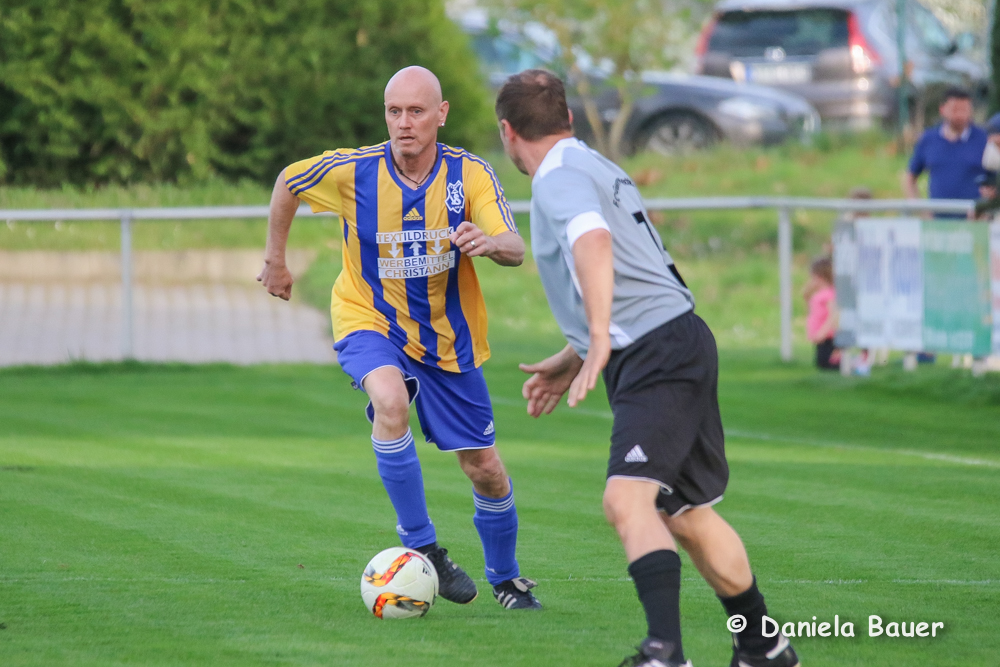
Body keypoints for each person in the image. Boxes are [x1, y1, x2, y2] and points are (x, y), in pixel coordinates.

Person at [495, 69, 799, 667]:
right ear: (570, 120)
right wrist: (577, 351)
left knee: (626, 502)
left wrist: (601, 337)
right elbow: (633, 273)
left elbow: (595, 244)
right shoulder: (592, 163)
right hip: (677, 340)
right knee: (683, 513)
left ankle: (665, 653)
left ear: (507, 133)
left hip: (655, 353)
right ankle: (763, 646)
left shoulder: (557, 178)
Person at [257, 66, 542, 610]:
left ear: (442, 113)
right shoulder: (353, 170)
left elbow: (514, 244)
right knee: (389, 400)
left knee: (484, 467)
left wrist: (489, 242)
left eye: (416, 111)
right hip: (370, 317)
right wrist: (275, 261)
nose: (404, 123)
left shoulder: (470, 174)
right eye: (394, 111)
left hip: (447, 339)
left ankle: (507, 578)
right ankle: (423, 549)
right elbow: (288, 183)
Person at [905, 87, 988, 219]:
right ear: (942, 109)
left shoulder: (983, 139)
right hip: (938, 224)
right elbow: (910, 176)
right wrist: (920, 209)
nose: (960, 115)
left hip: (975, 222)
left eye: (965, 110)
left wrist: (985, 208)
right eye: (955, 110)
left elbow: (994, 181)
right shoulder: (928, 139)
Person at [804, 257, 839, 371]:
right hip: (821, 337)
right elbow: (806, 296)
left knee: (827, 363)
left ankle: (854, 364)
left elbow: (833, 314)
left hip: (828, 337)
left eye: (812, 278)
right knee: (821, 362)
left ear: (819, 277)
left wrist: (822, 332)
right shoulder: (819, 294)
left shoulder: (829, 294)